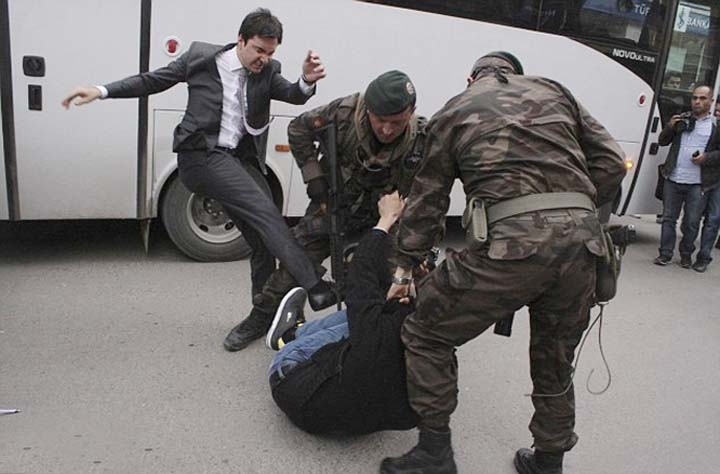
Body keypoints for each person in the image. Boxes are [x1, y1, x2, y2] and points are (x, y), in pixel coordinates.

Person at [380, 52, 626, 474]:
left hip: (510, 249)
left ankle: (434, 452)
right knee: (555, 355)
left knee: (425, 332)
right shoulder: (554, 90)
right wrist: (570, 212)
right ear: (518, 75)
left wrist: (405, 265)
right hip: (583, 247)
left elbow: (428, 201)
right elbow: (610, 161)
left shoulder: (456, 108)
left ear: (471, 77)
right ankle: (548, 461)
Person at [61, 8, 336, 318]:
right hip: (200, 158)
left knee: (259, 239)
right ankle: (315, 286)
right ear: (240, 40)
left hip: (237, 159)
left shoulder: (267, 71)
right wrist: (100, 91)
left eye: (270, 53)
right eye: (259, 50)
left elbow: (293, 95)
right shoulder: (201, 58)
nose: (263, 58)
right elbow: (153, 81)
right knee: (266, 211)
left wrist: (305, 82)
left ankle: (263, 314)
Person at [222, 70, 427, 351]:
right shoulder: (344, 113)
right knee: (293, 264)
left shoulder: (422, 138)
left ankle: (377, 337)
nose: (388, 130)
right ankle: (261, 317)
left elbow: (429, 195)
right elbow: (298, 129)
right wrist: (314, 178)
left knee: (386, 284)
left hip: (383, 221)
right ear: (368, 110)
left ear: (411, 112)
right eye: (381, 120)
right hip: (331, 206)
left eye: (397, 122)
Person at [267, 192, 433, 435]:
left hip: (296, 395)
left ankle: (289, 337)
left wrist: (386, 220)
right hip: (363, 425)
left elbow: (361, 272)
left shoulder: (376, 327)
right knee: (364, 322)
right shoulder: (440, 339)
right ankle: (295, 332)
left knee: (354, 320)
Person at [653, 85, 720, 269]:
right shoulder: (683, 120)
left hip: (698, 183)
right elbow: (662, 141)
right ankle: (665, 254)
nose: (697, 102)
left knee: (691, 222)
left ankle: (685, 254)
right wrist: (669, 127)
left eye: (702, 98)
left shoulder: (715, 126)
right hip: (673, 178)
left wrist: (706, 158)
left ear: (710, 101)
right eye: (694, 98)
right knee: (668, 219)